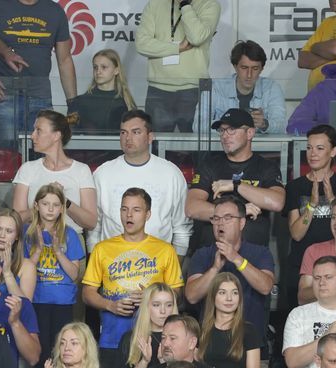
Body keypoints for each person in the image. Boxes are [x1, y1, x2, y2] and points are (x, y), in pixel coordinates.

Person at [82, 188, 182, 368]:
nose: (129, 215)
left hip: (154, 339)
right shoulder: (102, 249)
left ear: (148, 214)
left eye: (136, 210)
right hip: (112, 337)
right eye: (124, 209)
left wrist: (151, 296)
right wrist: (110, 305)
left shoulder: (165, 250)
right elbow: (87, 294)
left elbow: (176, 293)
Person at [0, 0, 78, 150]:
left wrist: (73, 103)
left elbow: (65, 60)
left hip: (40, 94)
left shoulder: (55, 11)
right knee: (7, 153)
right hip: (5, 93)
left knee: (42, 151)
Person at [185, 197, 275, 365]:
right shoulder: (202, 254)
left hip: (251, 349)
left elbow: (265, 286)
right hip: (211, 349)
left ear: (242, 223)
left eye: (227, 218)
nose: (220, 223)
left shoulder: (260, 253)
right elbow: (191, 296)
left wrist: (236, 259)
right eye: (216, 218)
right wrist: (214, 269)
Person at [90, 110, 192, 255]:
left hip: (158, 262)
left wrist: (174, 266)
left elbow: (182, 228)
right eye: (123, 132)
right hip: (111, 262)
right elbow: (94, 228)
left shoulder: (171, 173)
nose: (128, 138)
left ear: (150, 137)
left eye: (136, 132)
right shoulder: (102, 173)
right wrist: (95, 260)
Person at [283, 125, 336, 312]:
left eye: (320, 148)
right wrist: (312, 204)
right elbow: (296, 234)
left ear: (333, 151)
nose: (313, 154)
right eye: (309, 148)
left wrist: (333, 200)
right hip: (302, 267)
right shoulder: (295, 187)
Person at [186, 108, 285, 250]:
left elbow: (277, 202)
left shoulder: (266, 167)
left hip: (253, 254)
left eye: (232, 129)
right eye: (222, 130)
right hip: (212, 252)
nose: (225, 135)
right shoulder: (209, 165)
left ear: (250, 133)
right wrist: (239, 212)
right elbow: (191, 208)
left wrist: (236, 185)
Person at [133, 0, 220, 132]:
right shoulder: (155, 4)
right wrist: (176, 48)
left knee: (195, 142)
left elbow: (196, 37)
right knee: (155, 142)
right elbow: (141, 44)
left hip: (194, 89)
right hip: (158, 89)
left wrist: (185, 5)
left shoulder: (209, 5)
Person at [12, 111, 97, 235]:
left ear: (56, 136)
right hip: (35, 239)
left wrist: (64, 200)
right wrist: (43, 203)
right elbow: (16, 219)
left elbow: (91, 222)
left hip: (70, 242)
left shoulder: (81, 170)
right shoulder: (27, 169)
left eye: (38, 131)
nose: (32, 136)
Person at [22, 185, 85, 353]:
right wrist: (38, 251)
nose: (50, 209)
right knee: (40, 350)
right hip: (36, 298)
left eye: (56, 205)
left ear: (62, 208)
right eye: (45, 204)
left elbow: (74, 274)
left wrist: (58, 251)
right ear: (36, 205)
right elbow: (22, 271)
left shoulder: (70, 234)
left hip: (62, 301)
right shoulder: (26, 233)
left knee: (60, 349)